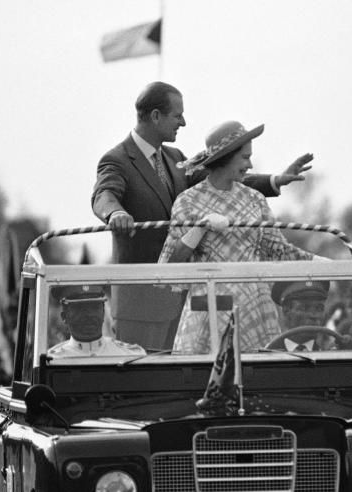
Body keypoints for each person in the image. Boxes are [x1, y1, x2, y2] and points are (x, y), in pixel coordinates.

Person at [91, 82, 312, 349]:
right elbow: (104, 194)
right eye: (177, 115)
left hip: (187, 303)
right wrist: (114, 212)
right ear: (155, 116)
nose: (183, 122)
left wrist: (275, 180)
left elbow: (221, 180)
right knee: (146, 384)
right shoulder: (116, 159)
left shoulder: (175, 159)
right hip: (142, 303)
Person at [157, 121, 321, 352]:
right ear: (226, 157)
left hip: (255, 308)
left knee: (260, 380)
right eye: (245, 157)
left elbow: (278, 248)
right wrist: (200, 229)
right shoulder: (188, 200)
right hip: (210, 308)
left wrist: (325, 264)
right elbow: (171, 263)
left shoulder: (255, 199)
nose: (250, 164)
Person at [47, 286, 145, 361]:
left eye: (94, 307)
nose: (88, 314)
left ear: (103, 312)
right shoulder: (54, 359)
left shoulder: (130, 356)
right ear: (64, 316)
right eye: (80, 308)